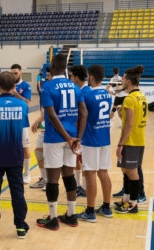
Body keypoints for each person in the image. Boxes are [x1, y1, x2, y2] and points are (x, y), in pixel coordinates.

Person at [36, 54, 87, 230]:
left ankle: (52, 218)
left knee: (52, 178)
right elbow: (84, 114)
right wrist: (77, 138)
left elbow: (51, 114)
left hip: (55, 138)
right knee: (69, 175)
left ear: (52, 65)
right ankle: (71, 215)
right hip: (72, 138)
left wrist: (66, 137)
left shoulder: (47, 86)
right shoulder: (75, 87)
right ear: (65, 67)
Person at [0, 71, 30, 240]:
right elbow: (22, 122)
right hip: (15, 156)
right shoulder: (22, 105)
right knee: (17, 191)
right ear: (15, 86)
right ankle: (21, 226)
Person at [76, 65, 113, 222]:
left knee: (90, 173)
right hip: (105, 138)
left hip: (91, 139)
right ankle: (106, 207)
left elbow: (82, 118)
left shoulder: (88, 97)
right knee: (103, 172)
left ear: (90, 77)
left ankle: (90, 211)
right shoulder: (108, 95)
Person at [114, 65, 147, 214]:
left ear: (128, 81)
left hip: (131, 140)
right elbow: (130, 118)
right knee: (126, 169)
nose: (122, 81)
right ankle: (126, 200)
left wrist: (120, 144)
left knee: (131, 172)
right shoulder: (142, 96)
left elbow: (128, 124)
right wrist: (122, 115)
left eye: (123, 79)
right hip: (139, 139)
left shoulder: (129, 99)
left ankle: (133, 204)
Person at [68, 65, 92, 198]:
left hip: (83, 134)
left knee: (84, 162)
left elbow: (82, 115)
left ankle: (84, 187)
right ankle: (80, 186)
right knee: (79, 161)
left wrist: (77, 135)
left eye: (71, 76)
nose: (70, 78)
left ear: (76, 77)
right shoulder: (86, 90)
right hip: (84, 133)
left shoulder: (83, 93)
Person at [30, 67, 52, 190]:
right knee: (39, 152)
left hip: (52, 128)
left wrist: (38, 120)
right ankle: (44, 179)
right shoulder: (44, 90)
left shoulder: (50, 89)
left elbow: (51, 111)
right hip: (44, 126)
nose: (47, 77)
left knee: (50, 155)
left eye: (48, 75)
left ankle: (51, 181)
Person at [10, 64, 32, 184]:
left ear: (20, 73)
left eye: (15, 73)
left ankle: (27, 174)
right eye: (12, 73)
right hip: (9, 121)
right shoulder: (7, 84)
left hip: (22, 122)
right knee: (9, 147)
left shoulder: (26, 86)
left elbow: (27, 101)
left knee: (25, 148)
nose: (13, 75)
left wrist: (15, 93)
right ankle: (11, 172)